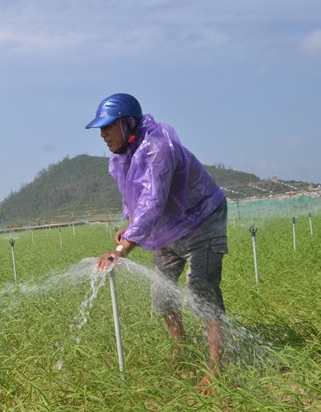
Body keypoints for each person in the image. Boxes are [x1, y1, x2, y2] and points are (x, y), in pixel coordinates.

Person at [87, 93, 228, 394]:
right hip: (167, 228)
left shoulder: (157, 148)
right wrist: (129, 226)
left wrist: (122, 249)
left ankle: (217, 367)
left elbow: (152, 202)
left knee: (202, 289)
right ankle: (183, 351)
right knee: (161, 294)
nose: (103, 134)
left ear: (128, 123)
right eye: (100, 128)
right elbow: (133, 198)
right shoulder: (121, 157)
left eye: (109, 126)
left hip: (202, 218)